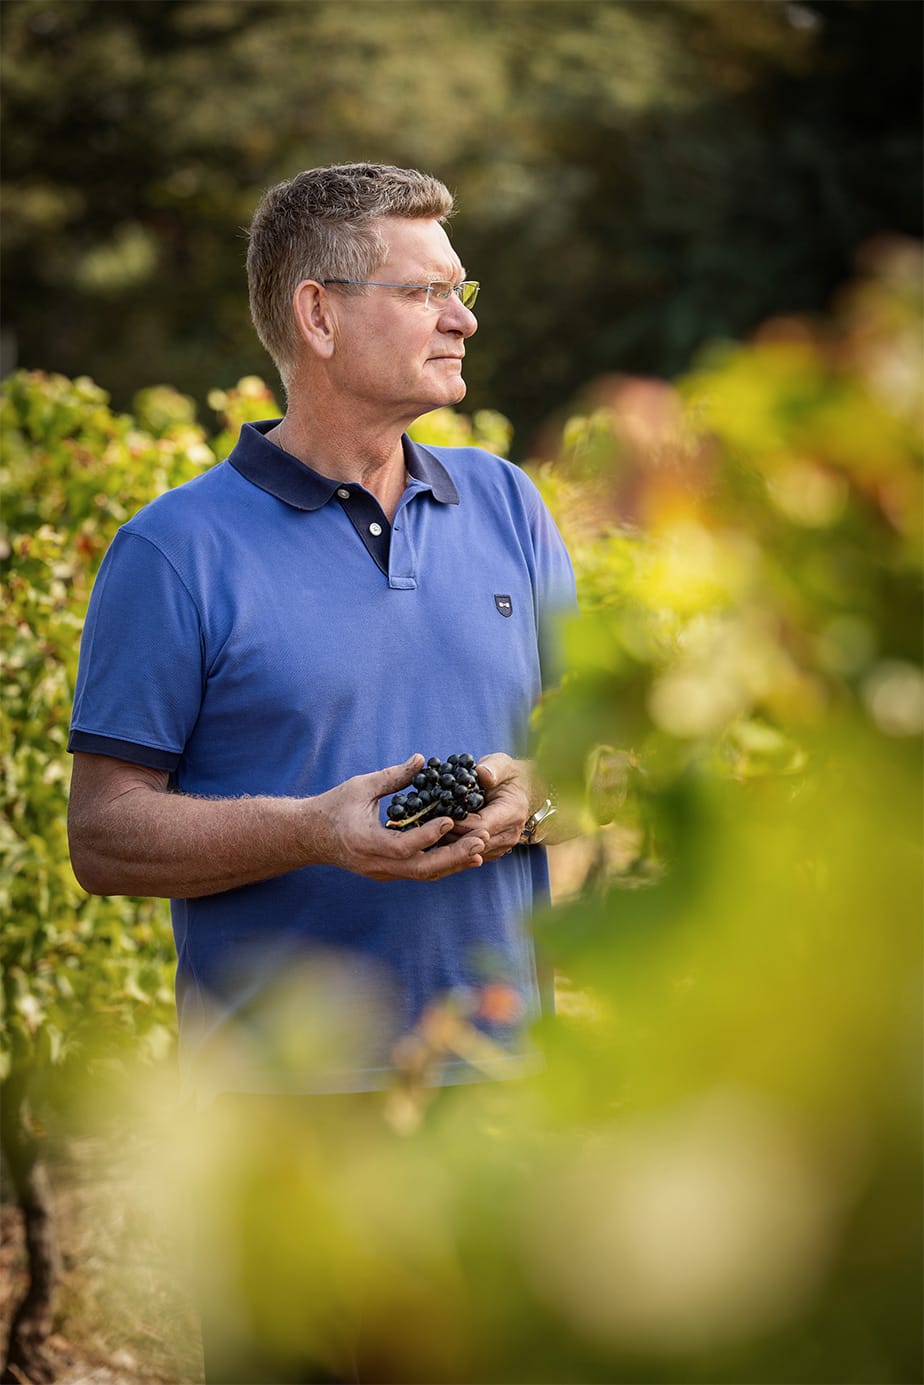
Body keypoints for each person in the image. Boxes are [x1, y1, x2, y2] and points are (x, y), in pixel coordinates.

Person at [66, 162, 576, 1381]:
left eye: (465, 290)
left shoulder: (507, 504)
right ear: (319, 313)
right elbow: (105, 837)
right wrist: (312, 828)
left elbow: (602, 763)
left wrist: (535, 794)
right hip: (279, 1121)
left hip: (495, 1088)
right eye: (429, 290)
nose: (464, 317)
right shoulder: (174, 550)